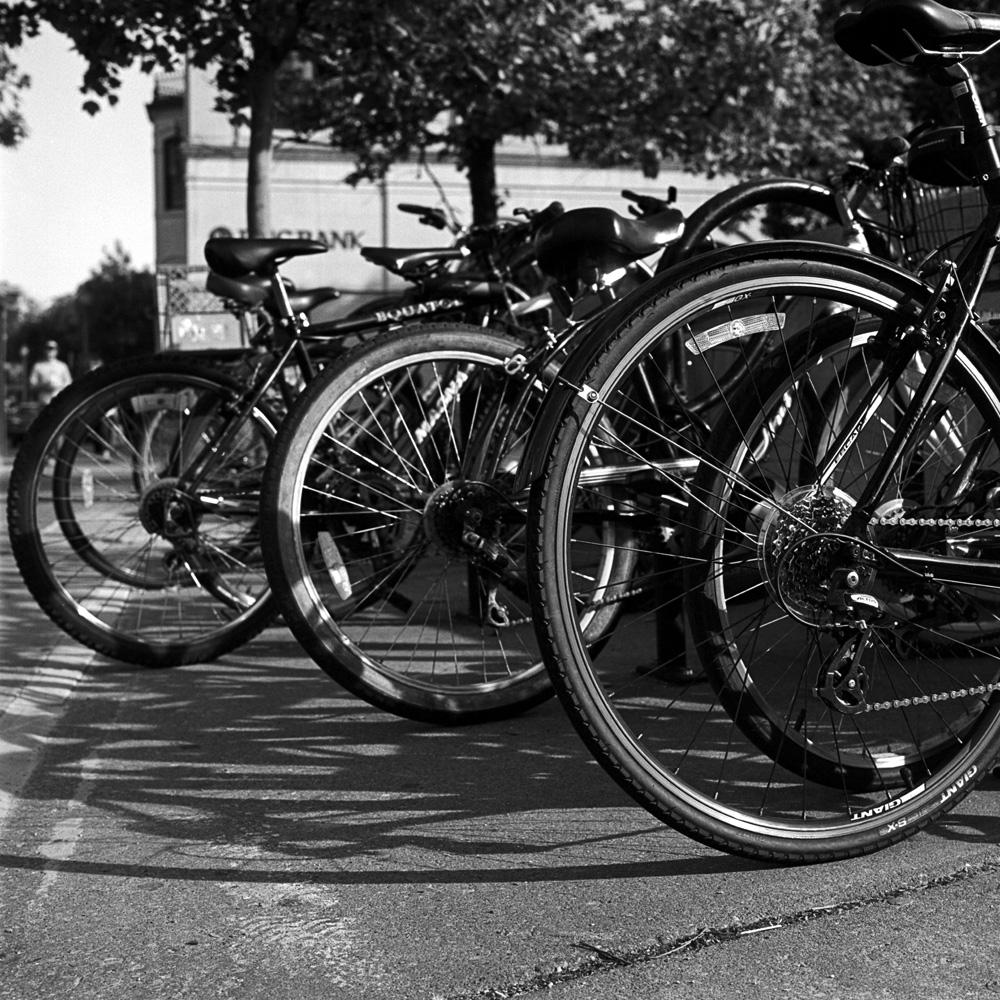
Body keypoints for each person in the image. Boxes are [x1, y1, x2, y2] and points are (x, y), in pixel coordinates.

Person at [29, 340, 73, 406]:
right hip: (43, 402)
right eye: (48, 349)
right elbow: (32, 384)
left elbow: (69, 383)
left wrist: (58, 386)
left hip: (59, 402)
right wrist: (44, 385)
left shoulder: (62, 366)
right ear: (44, 350)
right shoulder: (38, 366)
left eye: (53, 349)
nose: (50, 351)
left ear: (57, 351)